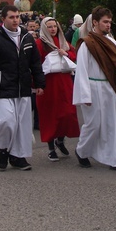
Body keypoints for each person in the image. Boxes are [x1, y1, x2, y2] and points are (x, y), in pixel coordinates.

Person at [0, 5, 46, 171]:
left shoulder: (27, 38)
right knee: (7, 122)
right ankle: (3, 149)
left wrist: (39, 83)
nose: (15, 20)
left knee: (22, 126)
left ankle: (18, 157)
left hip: (23, 89)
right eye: (11, 17)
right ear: (4, 19)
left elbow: (35, 63)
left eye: (17, 17)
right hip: (3, 89)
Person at [73, 6, 116, 171]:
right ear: (95, 22)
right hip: (93, 87)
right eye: (105, 22)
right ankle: (82, 151)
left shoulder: (112, 42)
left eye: (110, 22)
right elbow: (81, 70)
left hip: (110, 86)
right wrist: (84, 96)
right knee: (94, 124)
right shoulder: (87, 44)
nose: (108, 25)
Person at [35, 17, 80, 161]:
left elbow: (73, 54)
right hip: (48, 85)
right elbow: (35, 63)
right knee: (50, 116)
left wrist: (66, 54)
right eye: (49, 27)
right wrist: (36, 84)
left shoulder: (63, 42)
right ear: (44, 28)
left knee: (67, 113)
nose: (53, 29)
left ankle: (60, 140)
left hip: (65, 83)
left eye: (55, 26)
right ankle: (50, 148)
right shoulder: (39, 44)